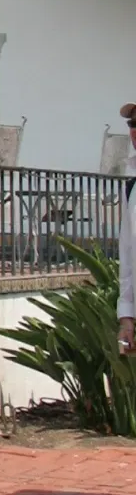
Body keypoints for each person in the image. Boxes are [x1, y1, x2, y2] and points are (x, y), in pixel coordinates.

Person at [118, 103, 136, 356]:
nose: (135, 131)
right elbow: (127, 254)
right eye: (132, 124)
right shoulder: (131, 185)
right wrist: (126, 317)